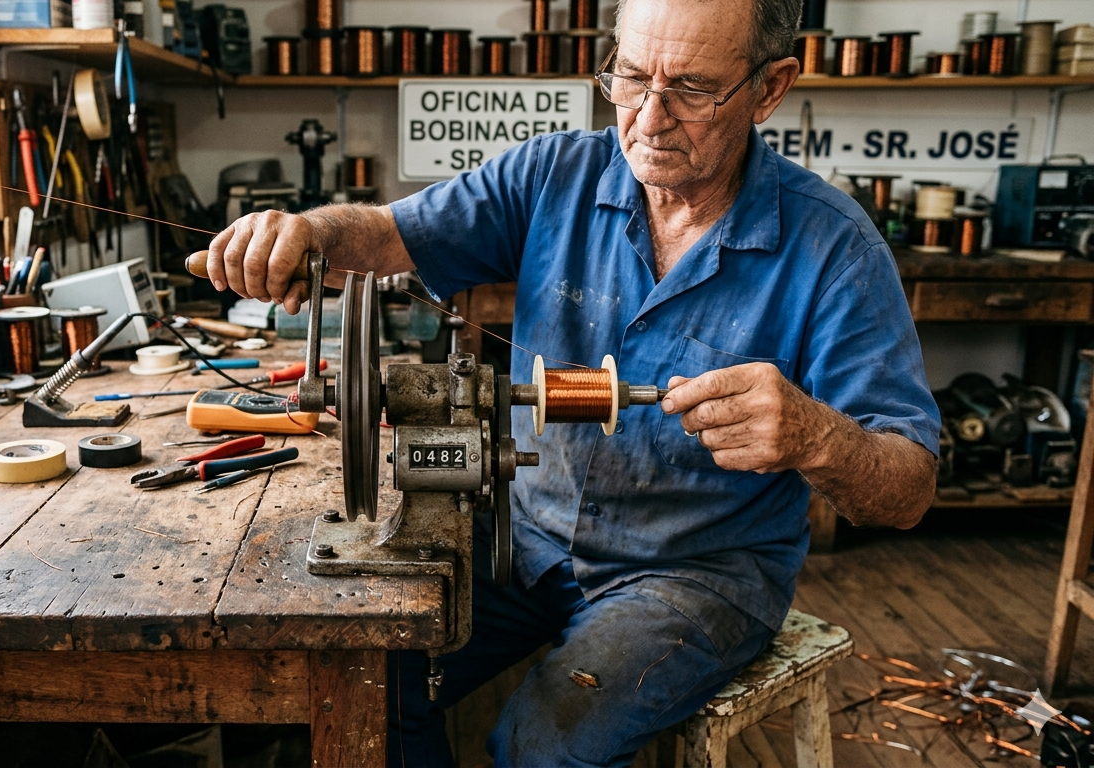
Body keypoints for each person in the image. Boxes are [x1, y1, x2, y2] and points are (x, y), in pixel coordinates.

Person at [199, 0, 940, 761]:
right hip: (522, 538)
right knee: (350, 677)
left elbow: (908, 488)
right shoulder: (552, 176)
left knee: (545, 744)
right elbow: (388, 236)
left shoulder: (835, 248)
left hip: (696, 573)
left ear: (770, 86)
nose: (649, 118)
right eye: (628, 76)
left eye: (690, 87)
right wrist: (312, 233)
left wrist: (817, 437)